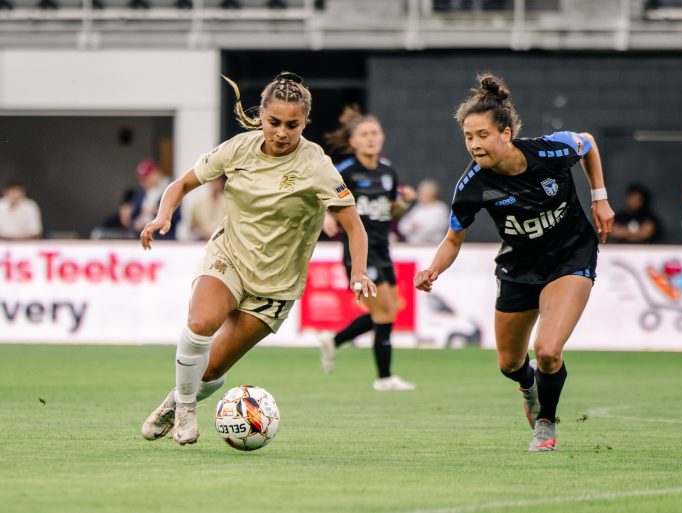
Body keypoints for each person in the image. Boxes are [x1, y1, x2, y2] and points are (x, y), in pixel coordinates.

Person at [139, 72, 376, 446]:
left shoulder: (316, 165)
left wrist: (359, 271)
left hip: (276, 286)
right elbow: (181, 184)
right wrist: (163, 215)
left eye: (292, 125)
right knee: (201, 321)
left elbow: (354, 226)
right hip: (228, 256)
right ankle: (186, 407)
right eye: (274, 122)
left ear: (305, 122)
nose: (282, 132)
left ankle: (174, 401)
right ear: (261, 116)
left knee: (213, 367)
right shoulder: (238, 149)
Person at [413, 73, 614, 452]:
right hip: (519, 267)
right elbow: (453, 239)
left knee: (549, 350)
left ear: (505, 133)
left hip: (570, 255)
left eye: (482, 135)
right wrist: (433, 269)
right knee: (509, 363)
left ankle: (546, 422)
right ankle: (528, 387)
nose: (474, 144)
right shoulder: (471, 186)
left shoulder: (552, 150)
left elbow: (588, 143)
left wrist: (599, 197)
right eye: (468, 137)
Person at [318, 105, 415, 391]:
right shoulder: (345, 171)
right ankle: (384, 378)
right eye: (364, 134)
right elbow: (321, 195)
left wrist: (405, 202)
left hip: (384, 250)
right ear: (353, 142)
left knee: (387, 311)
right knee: (385, 313)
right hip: (359, 253)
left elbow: (391, 214)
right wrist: (326, 216)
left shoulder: (388, 171)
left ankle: (334, 341)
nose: (371, 138)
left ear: (382, 137)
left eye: (375, 133)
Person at [130, 159, 181, 240]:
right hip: (144, 236)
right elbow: (133, 216)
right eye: (143, 179)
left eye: (148, 177)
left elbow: (177, 216)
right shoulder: (141, 194)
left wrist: (158, 213)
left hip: (164, 238)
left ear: (157, 173)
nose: (146, 181)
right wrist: (136, 223)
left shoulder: (170, 189)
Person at [398, 179, 450, 244]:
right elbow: (403, 226)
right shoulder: (418, 208)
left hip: (433, 246)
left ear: (432, 194)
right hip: (414, 246)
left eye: (423, 194)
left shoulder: (440, 208)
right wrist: (411, 226)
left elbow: (435, 228)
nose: (420, 196)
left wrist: (418, 227)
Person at [189, 175, 227, 240]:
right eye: (212, 180)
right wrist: (201, 232)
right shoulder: (198, 204)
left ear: (222, 182)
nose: (214, 183)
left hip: (223, 243)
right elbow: (192, 227)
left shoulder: (230, 204)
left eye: (217, 180)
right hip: (203, 243)